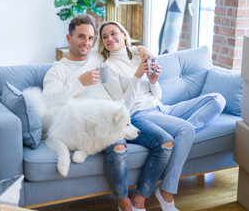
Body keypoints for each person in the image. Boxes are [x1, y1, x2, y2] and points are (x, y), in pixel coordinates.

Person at [42, 15, 170, 211]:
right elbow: (48, 100)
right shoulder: (58, 70)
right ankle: (123, 202)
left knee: (164, 142)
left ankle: (141, 198)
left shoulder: (97, 58)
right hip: (95, 124)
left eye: (91, 38)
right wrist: (79, 83)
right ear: (69, 39)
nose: (86, 42)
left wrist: (142, 49)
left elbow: (121, 45)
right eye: (81, 37)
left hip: (122, 115)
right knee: (119, 148)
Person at [97, 21, 226, 211]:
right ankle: (166, 192)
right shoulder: (106, 68)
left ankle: (181, 137)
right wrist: (136, 76)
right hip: (140, 114)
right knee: (186, 129)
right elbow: (123, 106)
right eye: (105, 36)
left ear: (124, 34)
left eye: (113, 33)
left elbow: (156, 96)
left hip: (162, 108)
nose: (109, 38)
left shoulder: (139, 56)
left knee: (217, 99)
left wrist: (153, 81)